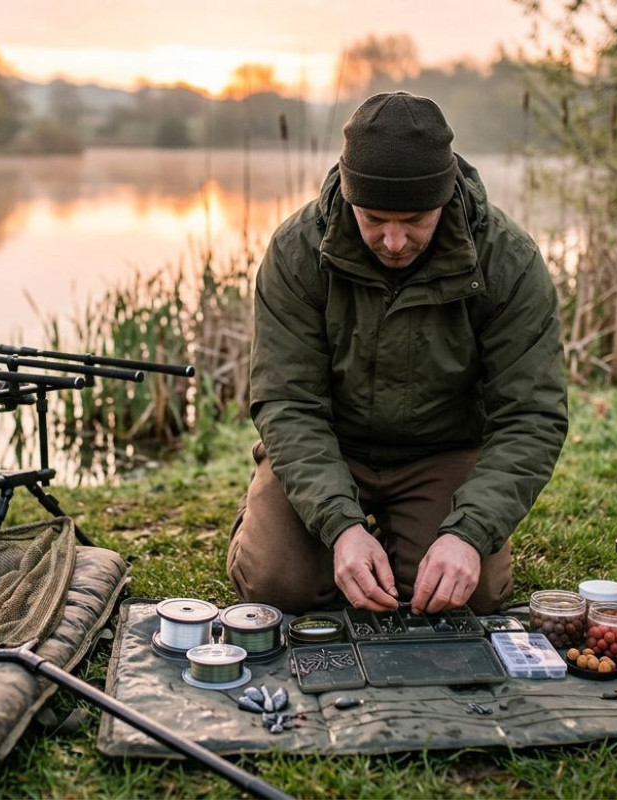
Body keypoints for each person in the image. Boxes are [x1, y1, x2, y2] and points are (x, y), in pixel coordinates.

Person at [227, 92, 567, 616]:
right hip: (330, 445)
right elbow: (287, 403)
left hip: (442, 451)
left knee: (469, 596)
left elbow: (532, 415)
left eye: (413, 220)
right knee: (277, 583)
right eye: (374, 219)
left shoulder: (509, 259)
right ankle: (284, 520)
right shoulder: (296, 252)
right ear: (348, 194)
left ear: (445, 196)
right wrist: (341, 526)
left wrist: (470, 534)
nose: (392, 241)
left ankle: (414, 533)